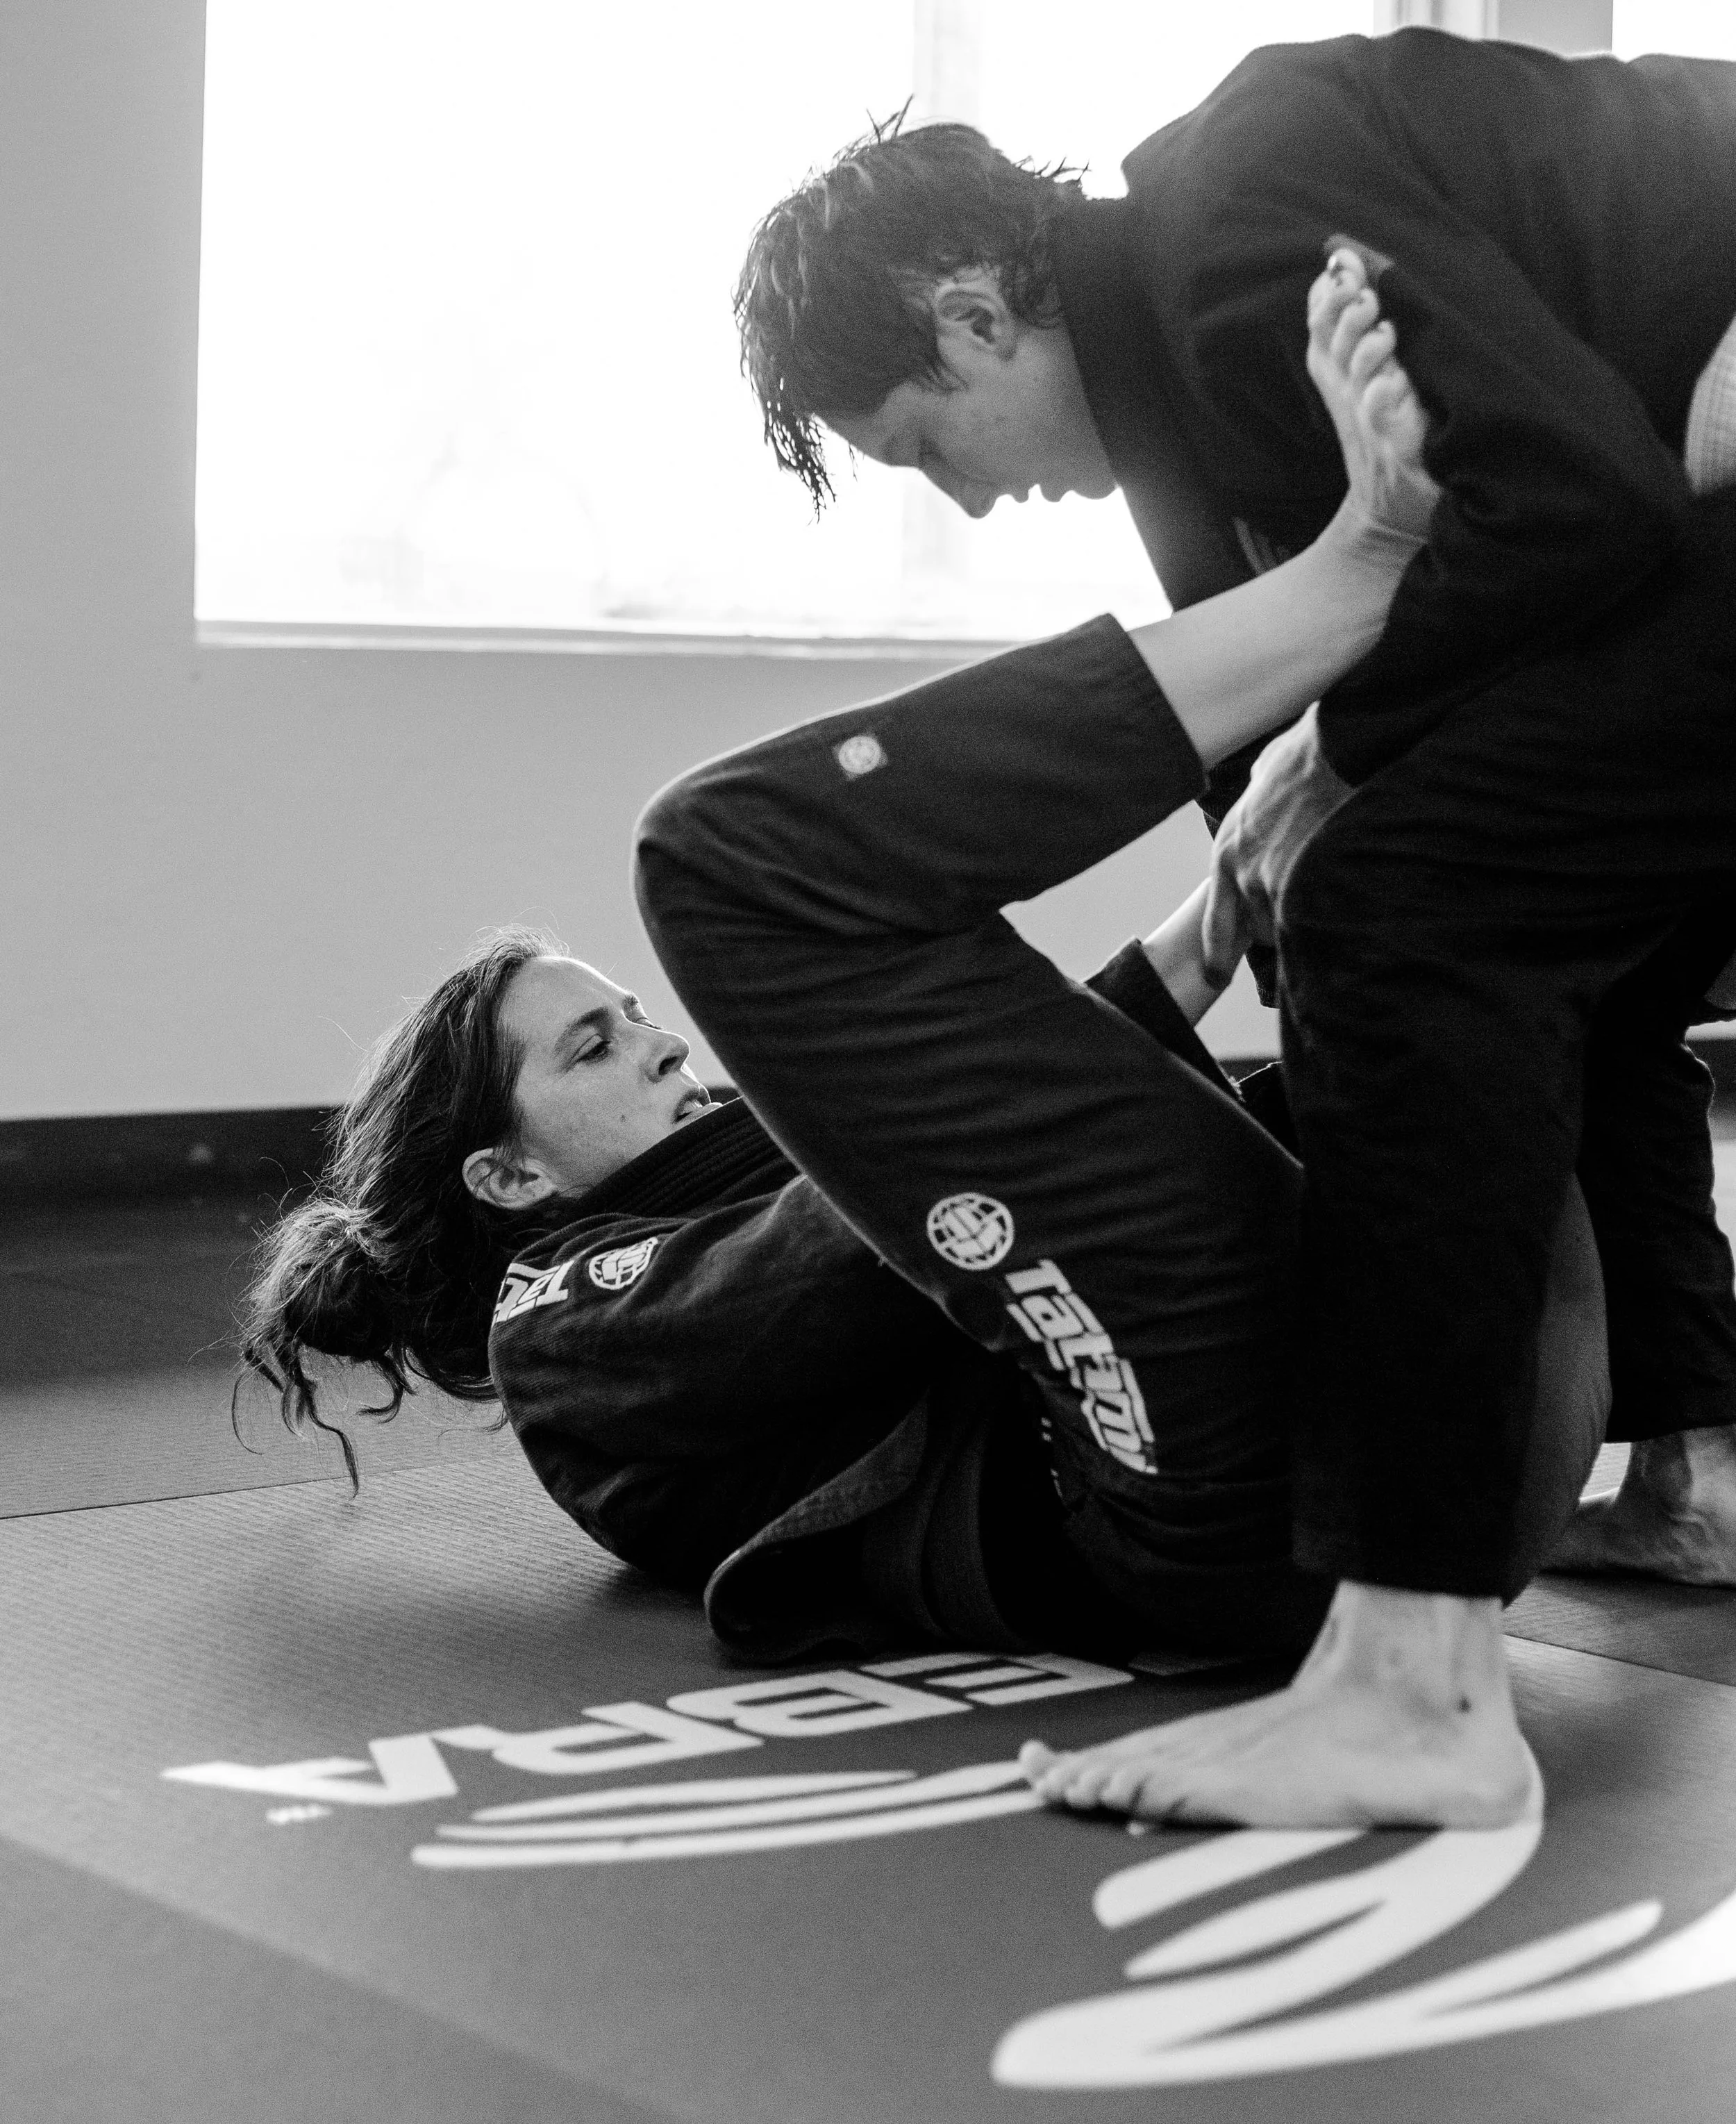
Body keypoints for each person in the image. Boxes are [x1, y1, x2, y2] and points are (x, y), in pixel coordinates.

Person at [242, 274, 1601, 1698]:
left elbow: (1012, 1136)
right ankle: (1342, 584)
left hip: (1438, 1474)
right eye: (590, 1043)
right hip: (1213, 1518)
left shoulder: (797, 1152)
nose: (652, 1036)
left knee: (1395, 908)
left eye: (632, 1010)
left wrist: (1223, 914)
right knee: (725, 854)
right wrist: (996, 1066)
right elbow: (835, 1260)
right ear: (509, 1179)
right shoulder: (554, 1334)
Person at [734, 30, 1736, 1825]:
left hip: (1693, 463)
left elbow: (1574, 504)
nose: (966, 499)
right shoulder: (1189, 440)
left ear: (969, 316)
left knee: (1411, 915)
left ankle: (1411, 1682)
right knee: (1513, 930)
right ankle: (1689, 1479)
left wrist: (1333, 778)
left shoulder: (1243, 199)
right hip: (1680, 514)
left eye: (924, 446)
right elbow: (1271, 785)